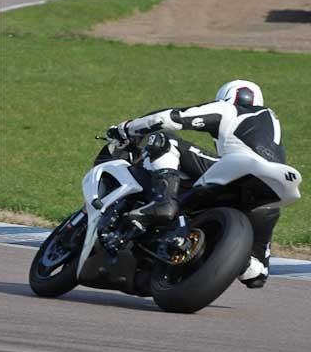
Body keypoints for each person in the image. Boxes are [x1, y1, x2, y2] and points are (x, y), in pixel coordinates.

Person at [106, 80, 285, 289]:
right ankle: (235, 257)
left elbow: (171, 118)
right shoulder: (272, 125)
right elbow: (257, 281)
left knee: (164, 139)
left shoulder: (229, 109)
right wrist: (231, 254)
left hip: (242, 168)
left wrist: (126, 129)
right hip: (270, 193)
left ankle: (164, 201)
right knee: (257, 273)